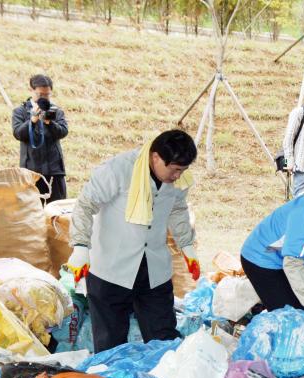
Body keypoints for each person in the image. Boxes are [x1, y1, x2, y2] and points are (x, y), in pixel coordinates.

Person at [66, 130, 200, 353]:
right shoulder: (119, 170)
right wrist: (80, 246)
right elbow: (84, 206)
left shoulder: (177, 180)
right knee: (111, 341)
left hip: (154, 267)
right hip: (111, 267)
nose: (178, 176)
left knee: (163, 337)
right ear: (156, 157)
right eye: (175, 169)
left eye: (183, 170)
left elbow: (177, 209)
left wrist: (187, 245)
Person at [11, 74, 69, 204]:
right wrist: (32, 120)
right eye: (40, 94)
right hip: (31, 171)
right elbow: (18, 134)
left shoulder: (55, 111)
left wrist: (49, 122)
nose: (44, 98)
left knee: (57, 208)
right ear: (31, 90)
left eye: (47, 95)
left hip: (54, 170)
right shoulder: (20, 111)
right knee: (32, 210)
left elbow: (63, 131)